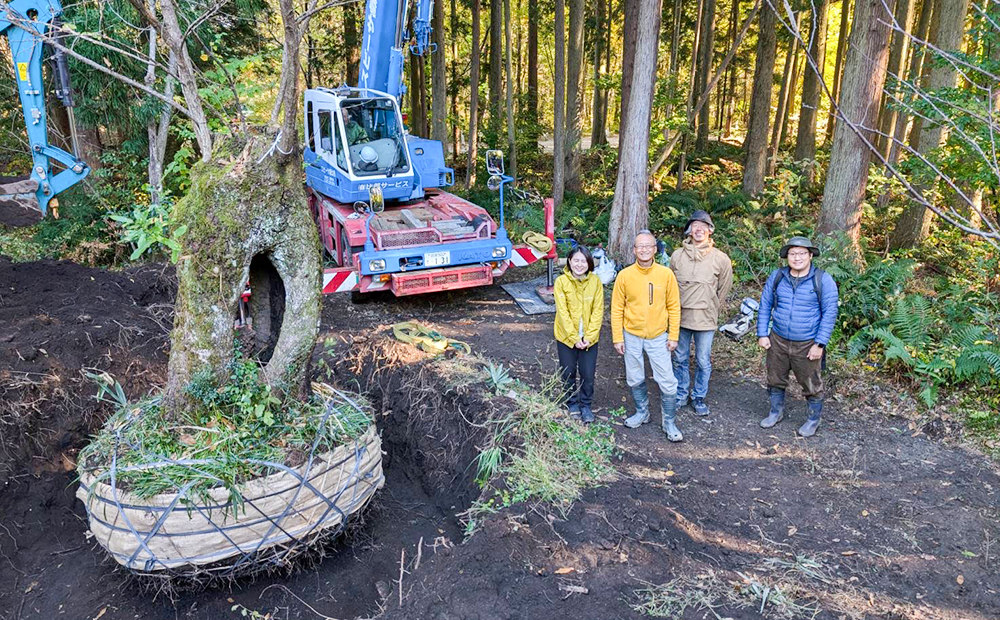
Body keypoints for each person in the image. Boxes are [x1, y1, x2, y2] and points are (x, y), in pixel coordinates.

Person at [756, 236, 839, 437]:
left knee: (811, 383)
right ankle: (776, 412)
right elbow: (765, 305)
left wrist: (819, 343)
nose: (797, 257)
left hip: (808, 342)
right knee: (775, 378)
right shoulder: (777, 276)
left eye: (802, 253)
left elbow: (830, 313)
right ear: (787, 257)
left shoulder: (823, 279)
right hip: (778, 339)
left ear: (810, 255)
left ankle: (813, 419)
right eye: (793, 253)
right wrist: (762, 333)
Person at [611, 230, 684, 442]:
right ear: (634, 250)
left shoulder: (665, 274)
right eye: (639, 246)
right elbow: (616, 309)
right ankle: (642, 413)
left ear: (655, 249)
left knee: (667, 380)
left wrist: (674, 334)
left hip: (659, 335)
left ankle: (669, 422)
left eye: (648, 246)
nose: (643, 250)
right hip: (631, 334)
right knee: (634, 375)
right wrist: (618, 337)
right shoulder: (624, 276)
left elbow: (674, 306)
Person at [670, 210, 733, 417]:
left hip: (706, 318)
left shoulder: (721, 259)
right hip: (680, 316)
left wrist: (711, 305)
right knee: (679, 357)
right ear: (689, 230)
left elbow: (724, 287)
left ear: (710, 231)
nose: (699, 230)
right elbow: (670, 287)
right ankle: (680, 394)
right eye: (695, 226)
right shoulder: (677, 256)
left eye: (703, 226)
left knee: (703, 360)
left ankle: (698, 397)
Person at [553, 246, 604, 424]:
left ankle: (586, 405)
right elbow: (563, 313)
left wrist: (588, 337)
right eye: (576, 260)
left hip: (590, 338)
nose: (579, 264)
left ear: (589, 263)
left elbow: (598, 311)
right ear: (569, 262)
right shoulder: (561, 282)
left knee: (587, 373)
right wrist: (575, 338)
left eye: (583, 261)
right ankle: (572, 403)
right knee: (568, 372)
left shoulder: (595, 282)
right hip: (566, 338)